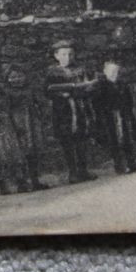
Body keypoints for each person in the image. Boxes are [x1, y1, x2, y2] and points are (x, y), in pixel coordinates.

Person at [44, 40, 97, 184]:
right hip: (63, 111)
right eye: (63, 54)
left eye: (70, 54)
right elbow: (48, 90)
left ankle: (83, 170)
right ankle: (72, 172)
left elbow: (88, 87)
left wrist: (84, 89)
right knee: (67, 140)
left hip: (79, 108)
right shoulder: (52, 72)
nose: (68, 57)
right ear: (56, 56)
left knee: (81, 139)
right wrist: (69, 90)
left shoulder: (80, 69)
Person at [0, 64, 48, 193]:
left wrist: (43, 115)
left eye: (20, 76)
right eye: (13, 77)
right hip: (16, 124)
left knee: (33, 152)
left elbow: (41, 103)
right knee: (18, 154)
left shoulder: (31, 89)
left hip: (31, 122)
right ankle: (21, 182)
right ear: (7, 79)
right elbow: (4, 108)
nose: (17, 80)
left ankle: (35, 180)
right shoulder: (6, 92)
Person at [90, 57, 136, 174]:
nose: (114, 74)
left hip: (123, 114)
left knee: (127, 138)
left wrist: (129, 111)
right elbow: (97, 103)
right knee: (114, 141)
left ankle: (131, 162)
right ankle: (119, 165)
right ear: (105, 72)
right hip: (110, 117)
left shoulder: (123, 84)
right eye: (111, 72)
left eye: (116, 71)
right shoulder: (101, 86)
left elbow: (129, 100)